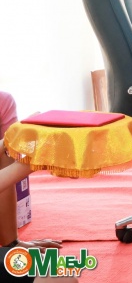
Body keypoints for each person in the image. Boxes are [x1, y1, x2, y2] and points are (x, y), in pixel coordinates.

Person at [1, 91, 78, 282]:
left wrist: (12, 244)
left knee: (61, 276)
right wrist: (33, 163)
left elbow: (6, 155)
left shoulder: (3, 101)